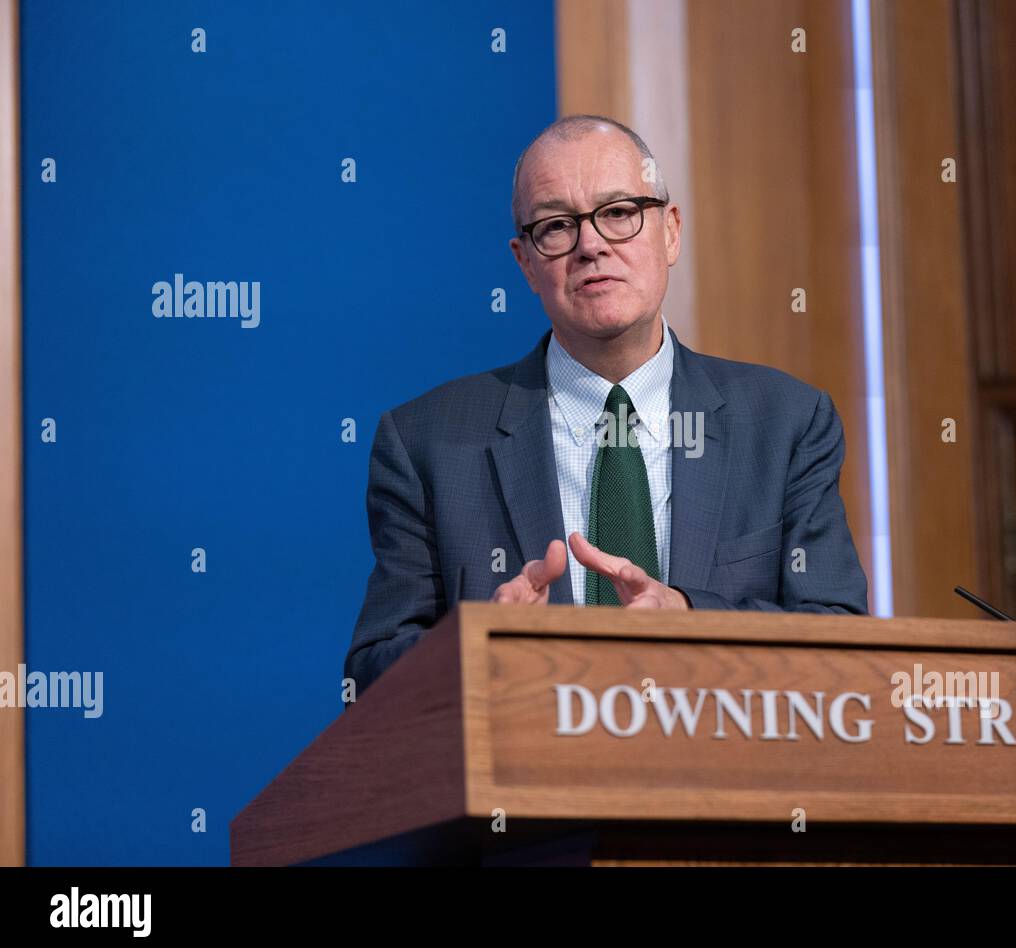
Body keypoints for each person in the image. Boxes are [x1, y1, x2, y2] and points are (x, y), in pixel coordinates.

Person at [345, 115, 869, 698]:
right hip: (525, 782)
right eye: (556, 225)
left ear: (670, 231)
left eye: (618, 213)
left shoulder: (787, 424)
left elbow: (841, 643)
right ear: (525, 262)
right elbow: (369, 681)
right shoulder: (426, 443)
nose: (591, 245)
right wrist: (482, 645)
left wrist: (692, 622)